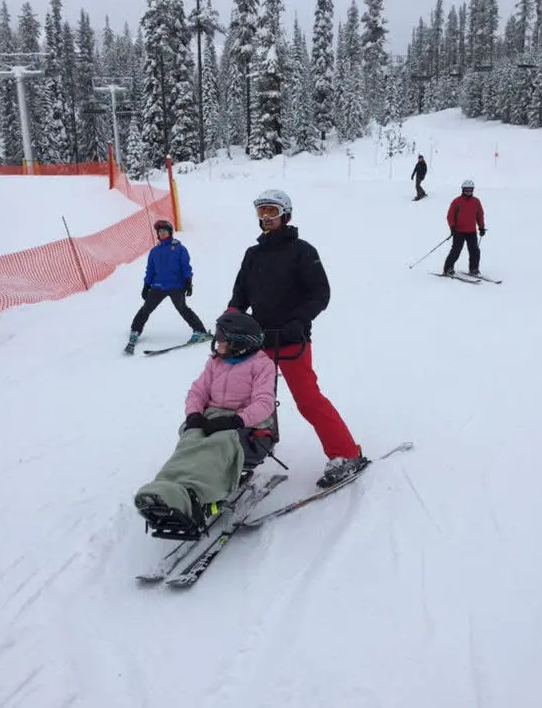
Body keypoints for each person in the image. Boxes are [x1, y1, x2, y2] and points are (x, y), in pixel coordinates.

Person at [226, 188, 367, 489]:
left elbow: (320, 294)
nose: (265, 218)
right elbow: (240, 295)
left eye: (271, 212)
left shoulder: (303, 251)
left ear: (285, 216)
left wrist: (298, 320)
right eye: (261, 212)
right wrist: (231, 319)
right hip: (258, 341)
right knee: (245, 399)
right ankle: (245, 454)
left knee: (307, 399)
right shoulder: (253, 254)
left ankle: (346, 453)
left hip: (291, 340)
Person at [134, 311, 277, 533]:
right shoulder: (216, 363)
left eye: (221, 341)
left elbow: (264, 404)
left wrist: (235, 420)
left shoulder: (262, 365)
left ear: (239, 345)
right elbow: (197, 391)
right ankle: (166, 488)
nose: (216, 345)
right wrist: (193, 414)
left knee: (217, 444)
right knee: (190, 439)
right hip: (213, 416)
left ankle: (196, 495)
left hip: (245, 424)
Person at [126, 219, 211, 349]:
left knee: (182, 308)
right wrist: (146, 285)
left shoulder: (179, 249)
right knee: (146, 308)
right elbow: (150, 270)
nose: (162, 234)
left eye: (164, 231)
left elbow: (185, 267)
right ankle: (135, 331)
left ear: (170, 232)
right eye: (159, 232)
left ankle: (200, 331)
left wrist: (188, 282)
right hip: (158, 286)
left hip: (176, 286)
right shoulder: (154, 251)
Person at [443, 179, 486, 276]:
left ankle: (474, 269)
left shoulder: (476, 201)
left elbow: (480, 215)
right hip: (458, 231)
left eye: (470, 190)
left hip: (471, 232)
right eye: (466, 190)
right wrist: (452, 227)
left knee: (475, 251)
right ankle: (448, 268)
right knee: (456, 251)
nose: (468, 192)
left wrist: (481, 227)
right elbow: (450, 215)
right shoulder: (457, 201)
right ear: (463, 190)